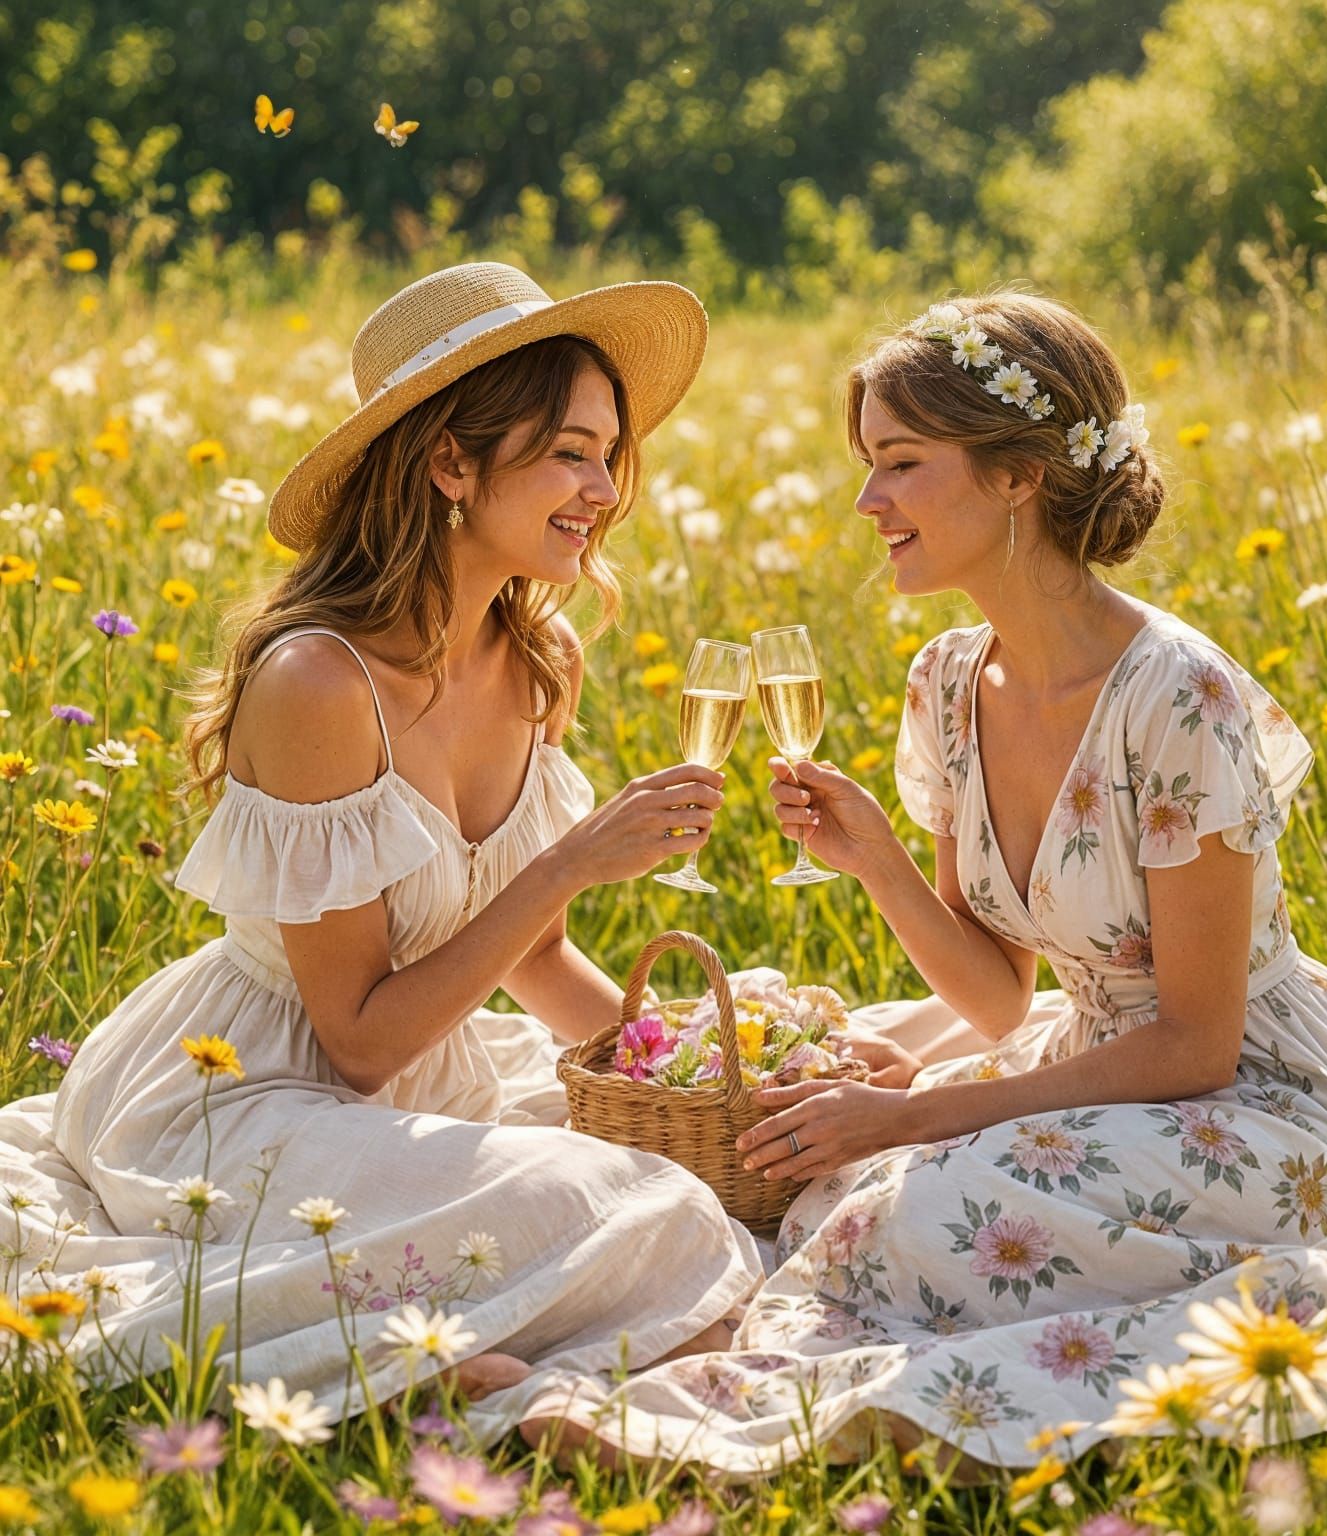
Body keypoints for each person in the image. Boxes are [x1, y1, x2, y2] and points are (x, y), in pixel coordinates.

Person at [502, 291, 1327, 1474]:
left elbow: (1197, 1043)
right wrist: (880, 863)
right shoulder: (948, 683)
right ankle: (706, 1356)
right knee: (839, 1182)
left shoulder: (1177, 697)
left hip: (1262, 1097)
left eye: (901, 463)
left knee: (934, 1205)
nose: (868, 501)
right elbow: (998, 999)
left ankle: (747, 1391)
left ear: (1018, 477)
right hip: (1097, 1065)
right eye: (869, 464)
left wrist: (917, 1114)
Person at [0, 262, 762, 1420]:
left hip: (430, 1075)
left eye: (610, 455)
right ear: (451, 461)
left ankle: (442, 1359)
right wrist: (569, 862)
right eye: (570, 452)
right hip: (249, 1092)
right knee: (643, 1214)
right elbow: (355, 1043)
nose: (604, 490)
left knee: (685, 1190)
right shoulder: (317, 684)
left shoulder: (538, 658)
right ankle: (403, 1364)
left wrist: (684, 1069)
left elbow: (536, 958)